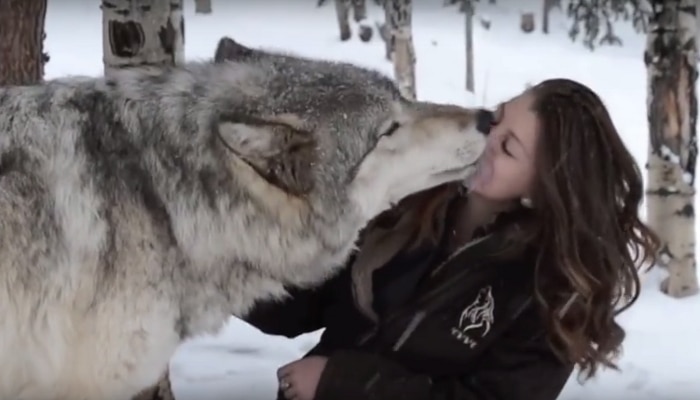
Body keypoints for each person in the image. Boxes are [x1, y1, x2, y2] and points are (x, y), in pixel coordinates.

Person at [244, 78, 659, 400]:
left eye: (507, 148)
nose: (484, 139)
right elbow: (307, 297)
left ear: (542, 187)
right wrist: (231, 269)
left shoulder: (553, 292)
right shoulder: (412, 194)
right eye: (495, 119)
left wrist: (341, 383)